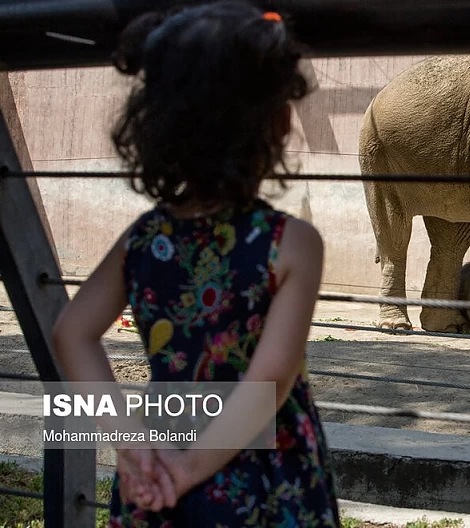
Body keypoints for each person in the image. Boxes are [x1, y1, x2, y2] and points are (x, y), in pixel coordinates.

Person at [51, 1, 341, 525]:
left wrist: (131, 445)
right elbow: (269, 382)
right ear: (279, 123)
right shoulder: (293, 244)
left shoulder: (141, 242)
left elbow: (71, 333)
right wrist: (191, 470)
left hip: (158, 463)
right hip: (265, 479)